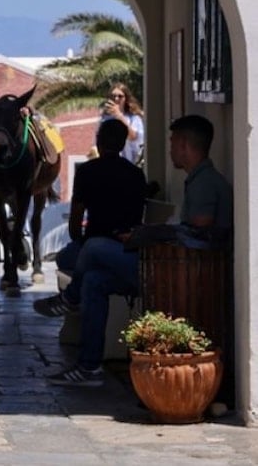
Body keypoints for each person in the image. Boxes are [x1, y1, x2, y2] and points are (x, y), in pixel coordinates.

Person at [41, 114, 232, 387]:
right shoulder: (192, 179)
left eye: (173, 143)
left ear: (185, 145)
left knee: (93, 247)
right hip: (170, 266)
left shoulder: (205, 183)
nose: (170, 150)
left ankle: (70, 299)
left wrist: (148, 235)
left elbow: (199, 233)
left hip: (178, 273)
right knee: (94, 281)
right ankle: (89, 366)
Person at [33, 118, 147, 320]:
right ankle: (88, 350)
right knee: (92, 276)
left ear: (99, 142)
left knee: (67, 257)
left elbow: (76, 220)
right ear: (122, 144)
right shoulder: (137, 175)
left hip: (97, 246)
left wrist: (79, 241)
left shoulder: (87, 171)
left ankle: (70, 298)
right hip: (125, 248)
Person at [100, 82, 145, 165]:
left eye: (120, 96)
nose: (116, 99)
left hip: (130, 163)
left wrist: (119, 116)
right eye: (113, 96)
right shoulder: (104, 118)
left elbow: (133, 137)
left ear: (126, 99)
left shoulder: (134, 118)